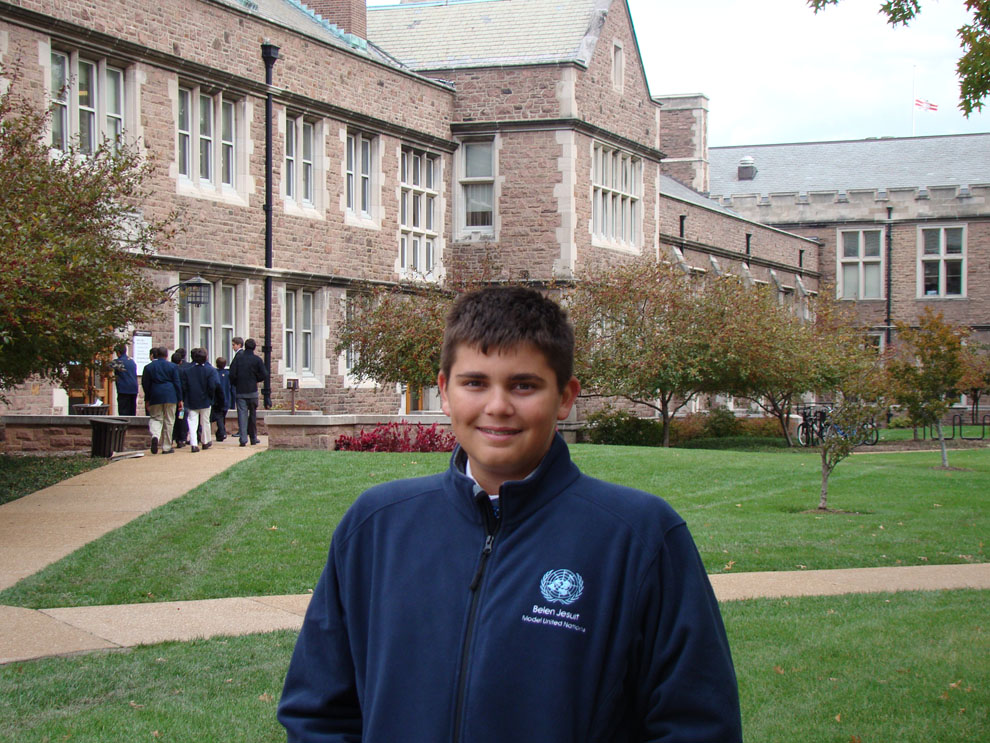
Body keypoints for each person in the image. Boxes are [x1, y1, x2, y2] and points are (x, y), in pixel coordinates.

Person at [277, 286, 742, 742]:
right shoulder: (376, 527)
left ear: (565, 397)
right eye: (475, 383)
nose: (497, 407)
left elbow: (697, 724)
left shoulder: (639, 538)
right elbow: (317, 712)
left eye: (524, 385)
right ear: (443, 390)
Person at [140, 346, 182, 455]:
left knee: (155, 418)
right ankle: (166, 447)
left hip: (155, 394)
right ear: (167, 355)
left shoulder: (148, 367)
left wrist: (147, 399)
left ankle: (155, 435)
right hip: (170, 395)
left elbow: (145, 385)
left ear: (155, 355)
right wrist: (180, 399)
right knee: (169, 420)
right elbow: (177, 383)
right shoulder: (172, 367)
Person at [228, 337, 268, 447]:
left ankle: (243, 438)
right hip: (252, 390)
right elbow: (264, 374)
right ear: (254, 347)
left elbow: (232, 374)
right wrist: (256, 379)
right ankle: (253, 437)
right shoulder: (257, 360)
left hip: (241, 390)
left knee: (242, 414)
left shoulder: (238, 359)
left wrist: (236, 382)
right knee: (253, 415)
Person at [182, 347, 219, 452]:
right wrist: (211, 396)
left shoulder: (187, 371)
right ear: (206, 358)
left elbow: (184, 386)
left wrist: (185, 397)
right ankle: (205, 441)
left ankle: (194, 444)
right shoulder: (210, 370)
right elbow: (212, 386)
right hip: (205, 399)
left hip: (192, 399)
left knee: (192, 422)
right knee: (205, 421)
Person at [111, 343, 138, 416]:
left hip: (124, 390)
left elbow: (106, 367)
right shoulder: (131, 361)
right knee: (132, 412)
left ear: (118, 353)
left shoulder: (118, 362)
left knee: (123, 412)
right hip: (133, 389)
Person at [170, 348, 190, 448]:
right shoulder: (184, 370)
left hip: (172, 398)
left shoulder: (171, 369)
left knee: (172, 418)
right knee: (181, 418)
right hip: (182, 399)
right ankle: (181, 438)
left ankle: (173, 437)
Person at [211, 356, 234, 442]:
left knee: (219, 416)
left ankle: (221, 432)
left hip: (217, 399)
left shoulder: (215, 373)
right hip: (227, 399)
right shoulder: (228, 374)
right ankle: (220, 433)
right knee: (222, 416)